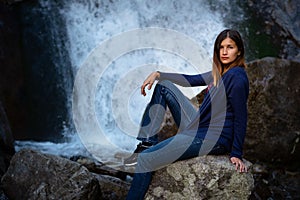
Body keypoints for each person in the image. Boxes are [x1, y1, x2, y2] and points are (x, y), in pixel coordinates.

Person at [125, 29, 249, 200]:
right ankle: (147, 142)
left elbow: (241, 117)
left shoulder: (236, 77)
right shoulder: (222, 73)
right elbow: (191, 80)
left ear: (239, 51)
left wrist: (236, 153)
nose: (225, 52)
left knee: (146, 160)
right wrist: (158, 74)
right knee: (164, 86)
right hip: (201, 127)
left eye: (230, 47)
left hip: (213, 138)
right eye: (221, 47)